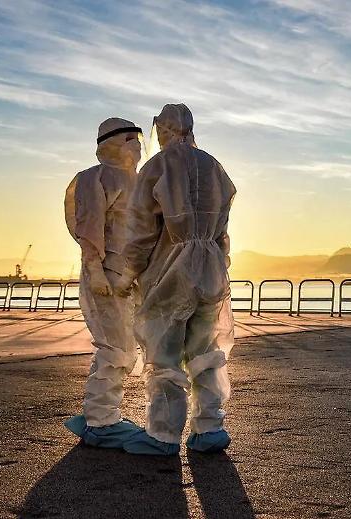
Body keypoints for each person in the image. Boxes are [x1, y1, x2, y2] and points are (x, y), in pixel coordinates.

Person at [116, 103, 236, 455]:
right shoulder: (214, 166)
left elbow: (140, 229)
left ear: (163, 129)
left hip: (170, 270)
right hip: (211, 267)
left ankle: (164, 434)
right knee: (205, 347)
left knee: (164, 351)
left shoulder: (158, 165)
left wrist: (129, 271)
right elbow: (223, 228)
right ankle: (210, 428)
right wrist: (219, 259)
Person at [63, 118, 145, 448]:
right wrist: (95, 270)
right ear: (110, 143)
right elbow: (89, 226)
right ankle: (100, 420)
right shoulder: (92, 178)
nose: (137, 145)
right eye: (129, 139)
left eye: (139, 139)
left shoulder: (139, 181)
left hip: (131, 278)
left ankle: (101, 413)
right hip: (107, 276)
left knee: (126, 346)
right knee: (116, 347)